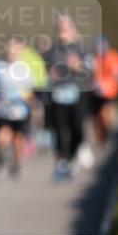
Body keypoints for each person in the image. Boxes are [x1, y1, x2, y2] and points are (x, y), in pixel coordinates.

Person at [44, 15, 92, 180]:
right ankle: (62, 160)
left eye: (65, 27)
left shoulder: (81, 48)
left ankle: (74, 154)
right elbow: (46, 69)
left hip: (77, 93)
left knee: (76, 128)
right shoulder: (53, 49)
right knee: (59, 128)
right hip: (58, 94)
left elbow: (90, 71)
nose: (62, 30)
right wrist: (50, 73)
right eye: (60, 27)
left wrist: (77, 66)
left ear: (72, 29)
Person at [0, 37, 34, 178]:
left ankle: (17, 163)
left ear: (20, 50)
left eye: (15, 48)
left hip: (20, 111)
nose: (12, 51)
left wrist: (26, 99)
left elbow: (31, 91)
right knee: (2, 137)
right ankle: (1, 159)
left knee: (18, 140)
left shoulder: (25, 69)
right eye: (9, 47)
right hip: (3, 111)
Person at [92, 37, 118, 144]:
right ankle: (102, 136)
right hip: (97, 94)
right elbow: (94, 76)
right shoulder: (95, 59)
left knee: (107, 114)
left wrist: (108, 81)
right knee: (98, 117)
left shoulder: (113, 56)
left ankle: (111, 133)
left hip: (110, 93)